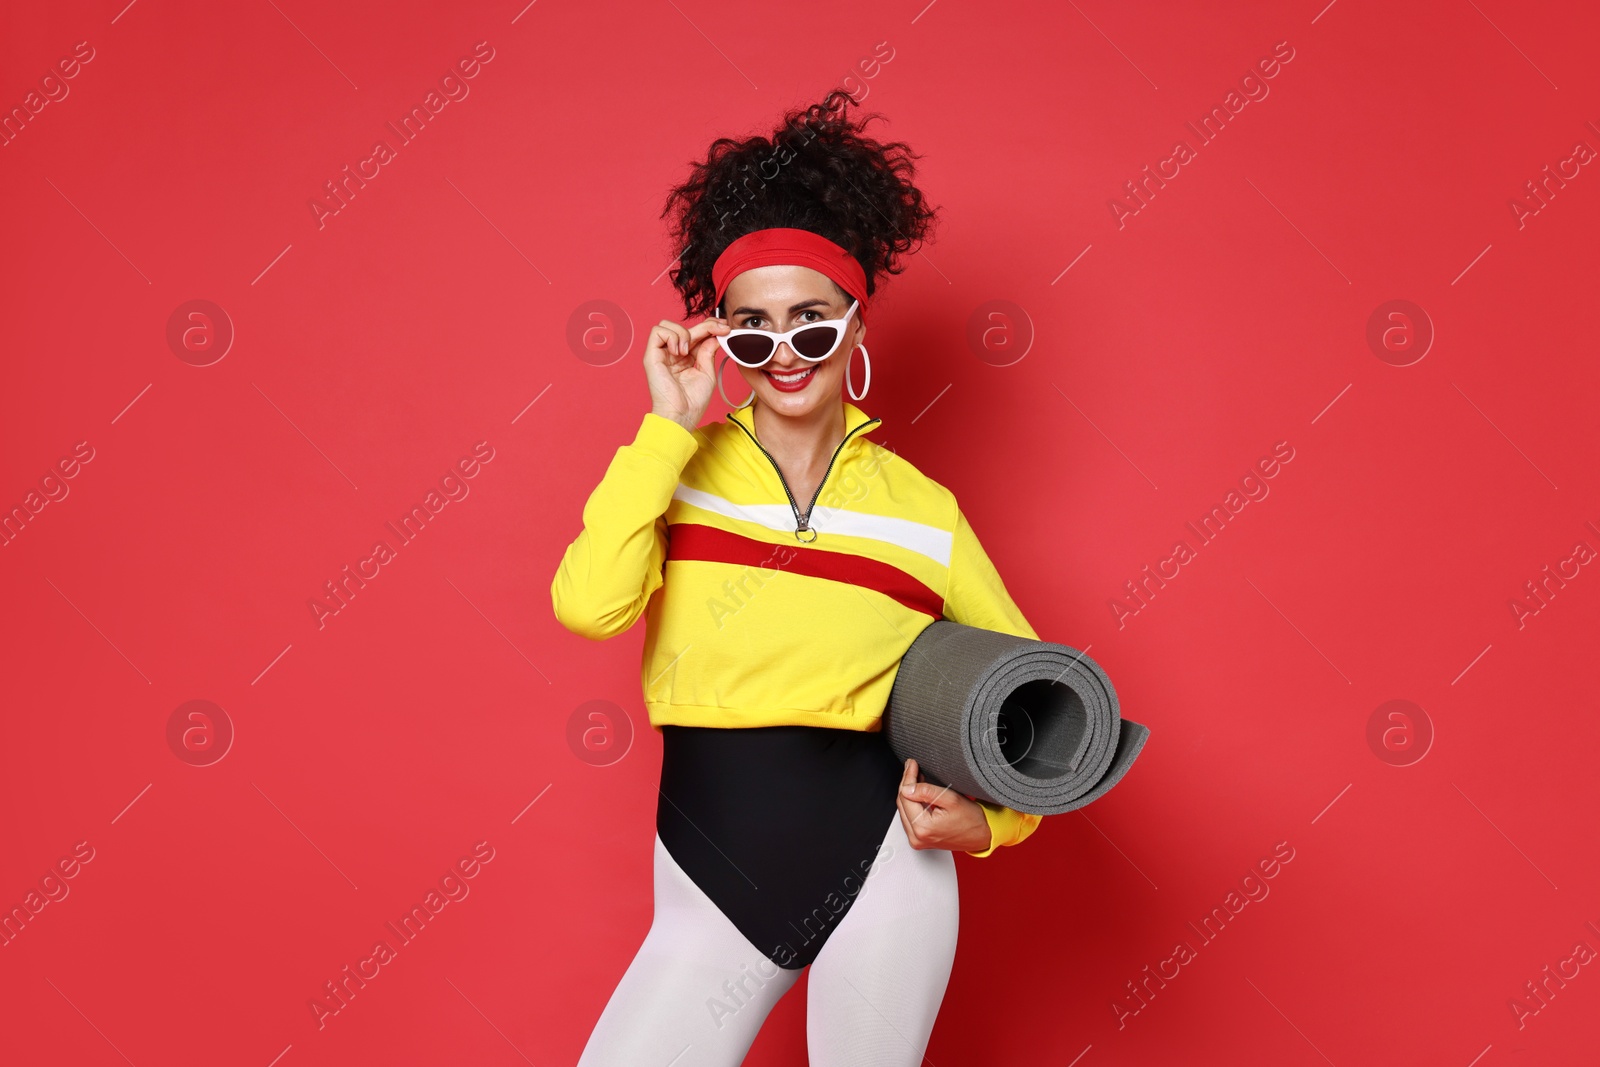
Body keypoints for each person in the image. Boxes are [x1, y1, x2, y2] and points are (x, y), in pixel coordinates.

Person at [551, 89, 1043, 1066]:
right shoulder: (677, 470)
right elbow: (587, 603)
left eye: (813, 325)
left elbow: (1033, 704)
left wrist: (992, 825)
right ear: (721, 337)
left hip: (887, 867)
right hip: (712, 873)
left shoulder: (922, 509)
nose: (784, 355)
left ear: (857, 327)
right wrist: (665, 426)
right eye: (752, 330)